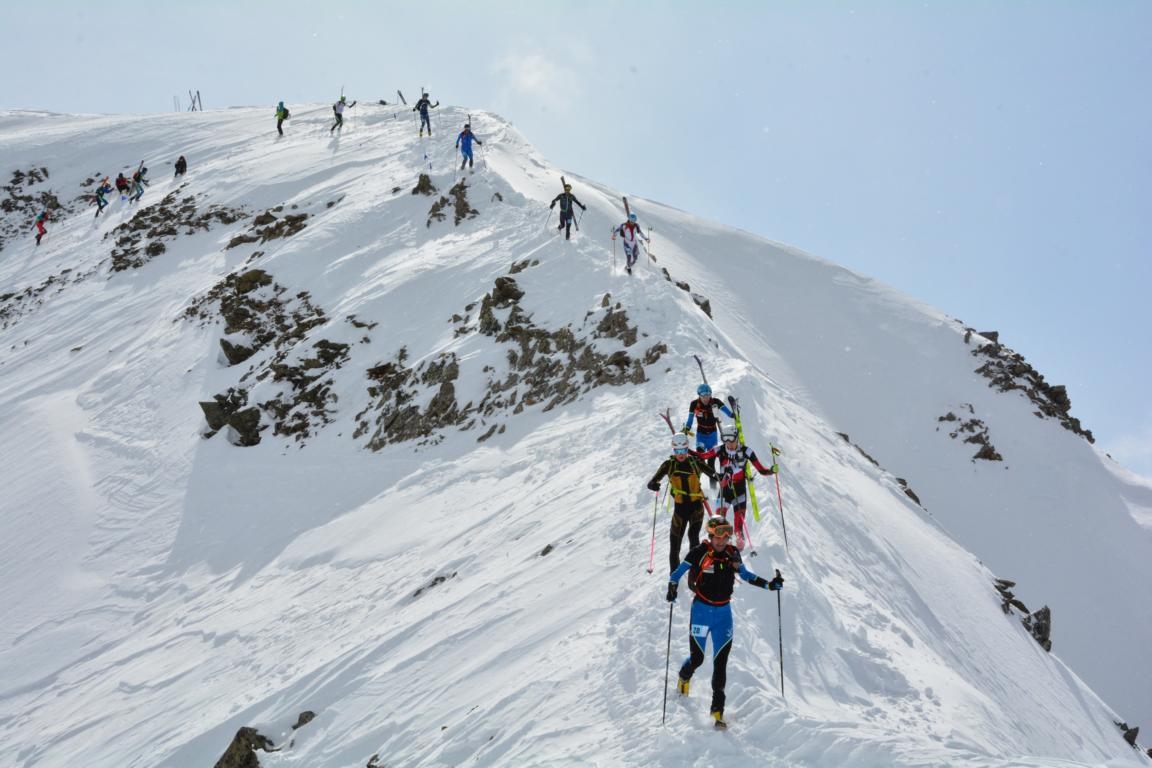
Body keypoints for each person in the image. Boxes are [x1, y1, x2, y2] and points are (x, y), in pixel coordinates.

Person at [667, 515, 784, 730]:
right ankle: (684, 677)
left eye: (725, 537)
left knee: (720, 664)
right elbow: (677, 573)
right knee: (698, 658)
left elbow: (745, 574)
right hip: (701, 611)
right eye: (716, 537)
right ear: (710, 536)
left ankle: (717, 712)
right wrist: (672, 586)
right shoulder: (699, 552)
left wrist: (769, 585)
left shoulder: (732, 553)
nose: (721, 542)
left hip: (723, 615)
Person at [647, 433, 719, 572]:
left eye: (684, 450)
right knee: (675, 545)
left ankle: (696, 572)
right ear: (673, 450)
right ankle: (674, 579)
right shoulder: (669, 465)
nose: (680, 454)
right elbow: (652, 482)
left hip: (696, 508)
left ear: (687, 448)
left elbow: (713, 474)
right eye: (677, 451)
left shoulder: (695, 462)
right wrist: (653, 485)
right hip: (680, 510)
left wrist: (723, 476)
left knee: (693, 537)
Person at [714, 425, 778, 550]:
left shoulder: (746, 451)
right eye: (725, 441)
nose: (729, 444)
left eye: (731, 441)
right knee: (718, 522)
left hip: (739, 490)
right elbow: (703, 456)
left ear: (737, 438)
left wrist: (771, 471)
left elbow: (762, 470)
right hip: (724, 490)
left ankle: (739, 552)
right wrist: (686, 451)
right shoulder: (720, 450)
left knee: (738, 527)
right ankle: (721, 546)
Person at [684, 383, 733, 478]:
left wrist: (733, 415)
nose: (706, 398)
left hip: (712, 436)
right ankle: (697, 483)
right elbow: (690, 419)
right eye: (704, 396)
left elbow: (727, 412)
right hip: (701, 436)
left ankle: (713, 484)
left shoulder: (715, 402)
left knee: (711, 463)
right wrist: (687, 428)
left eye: (708, 395)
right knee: (700, 459)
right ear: (699, 395)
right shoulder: (694, 404)